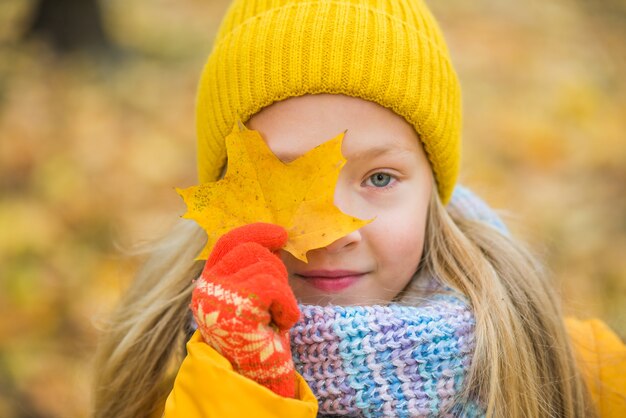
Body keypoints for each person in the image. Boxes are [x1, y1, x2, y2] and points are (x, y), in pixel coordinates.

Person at [92, 0, 626, 417]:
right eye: (285, 183)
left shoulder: (570, 369)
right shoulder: (166, 372)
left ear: (431, 194)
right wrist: (241, 379)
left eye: (379, 178)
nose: (332, 234)